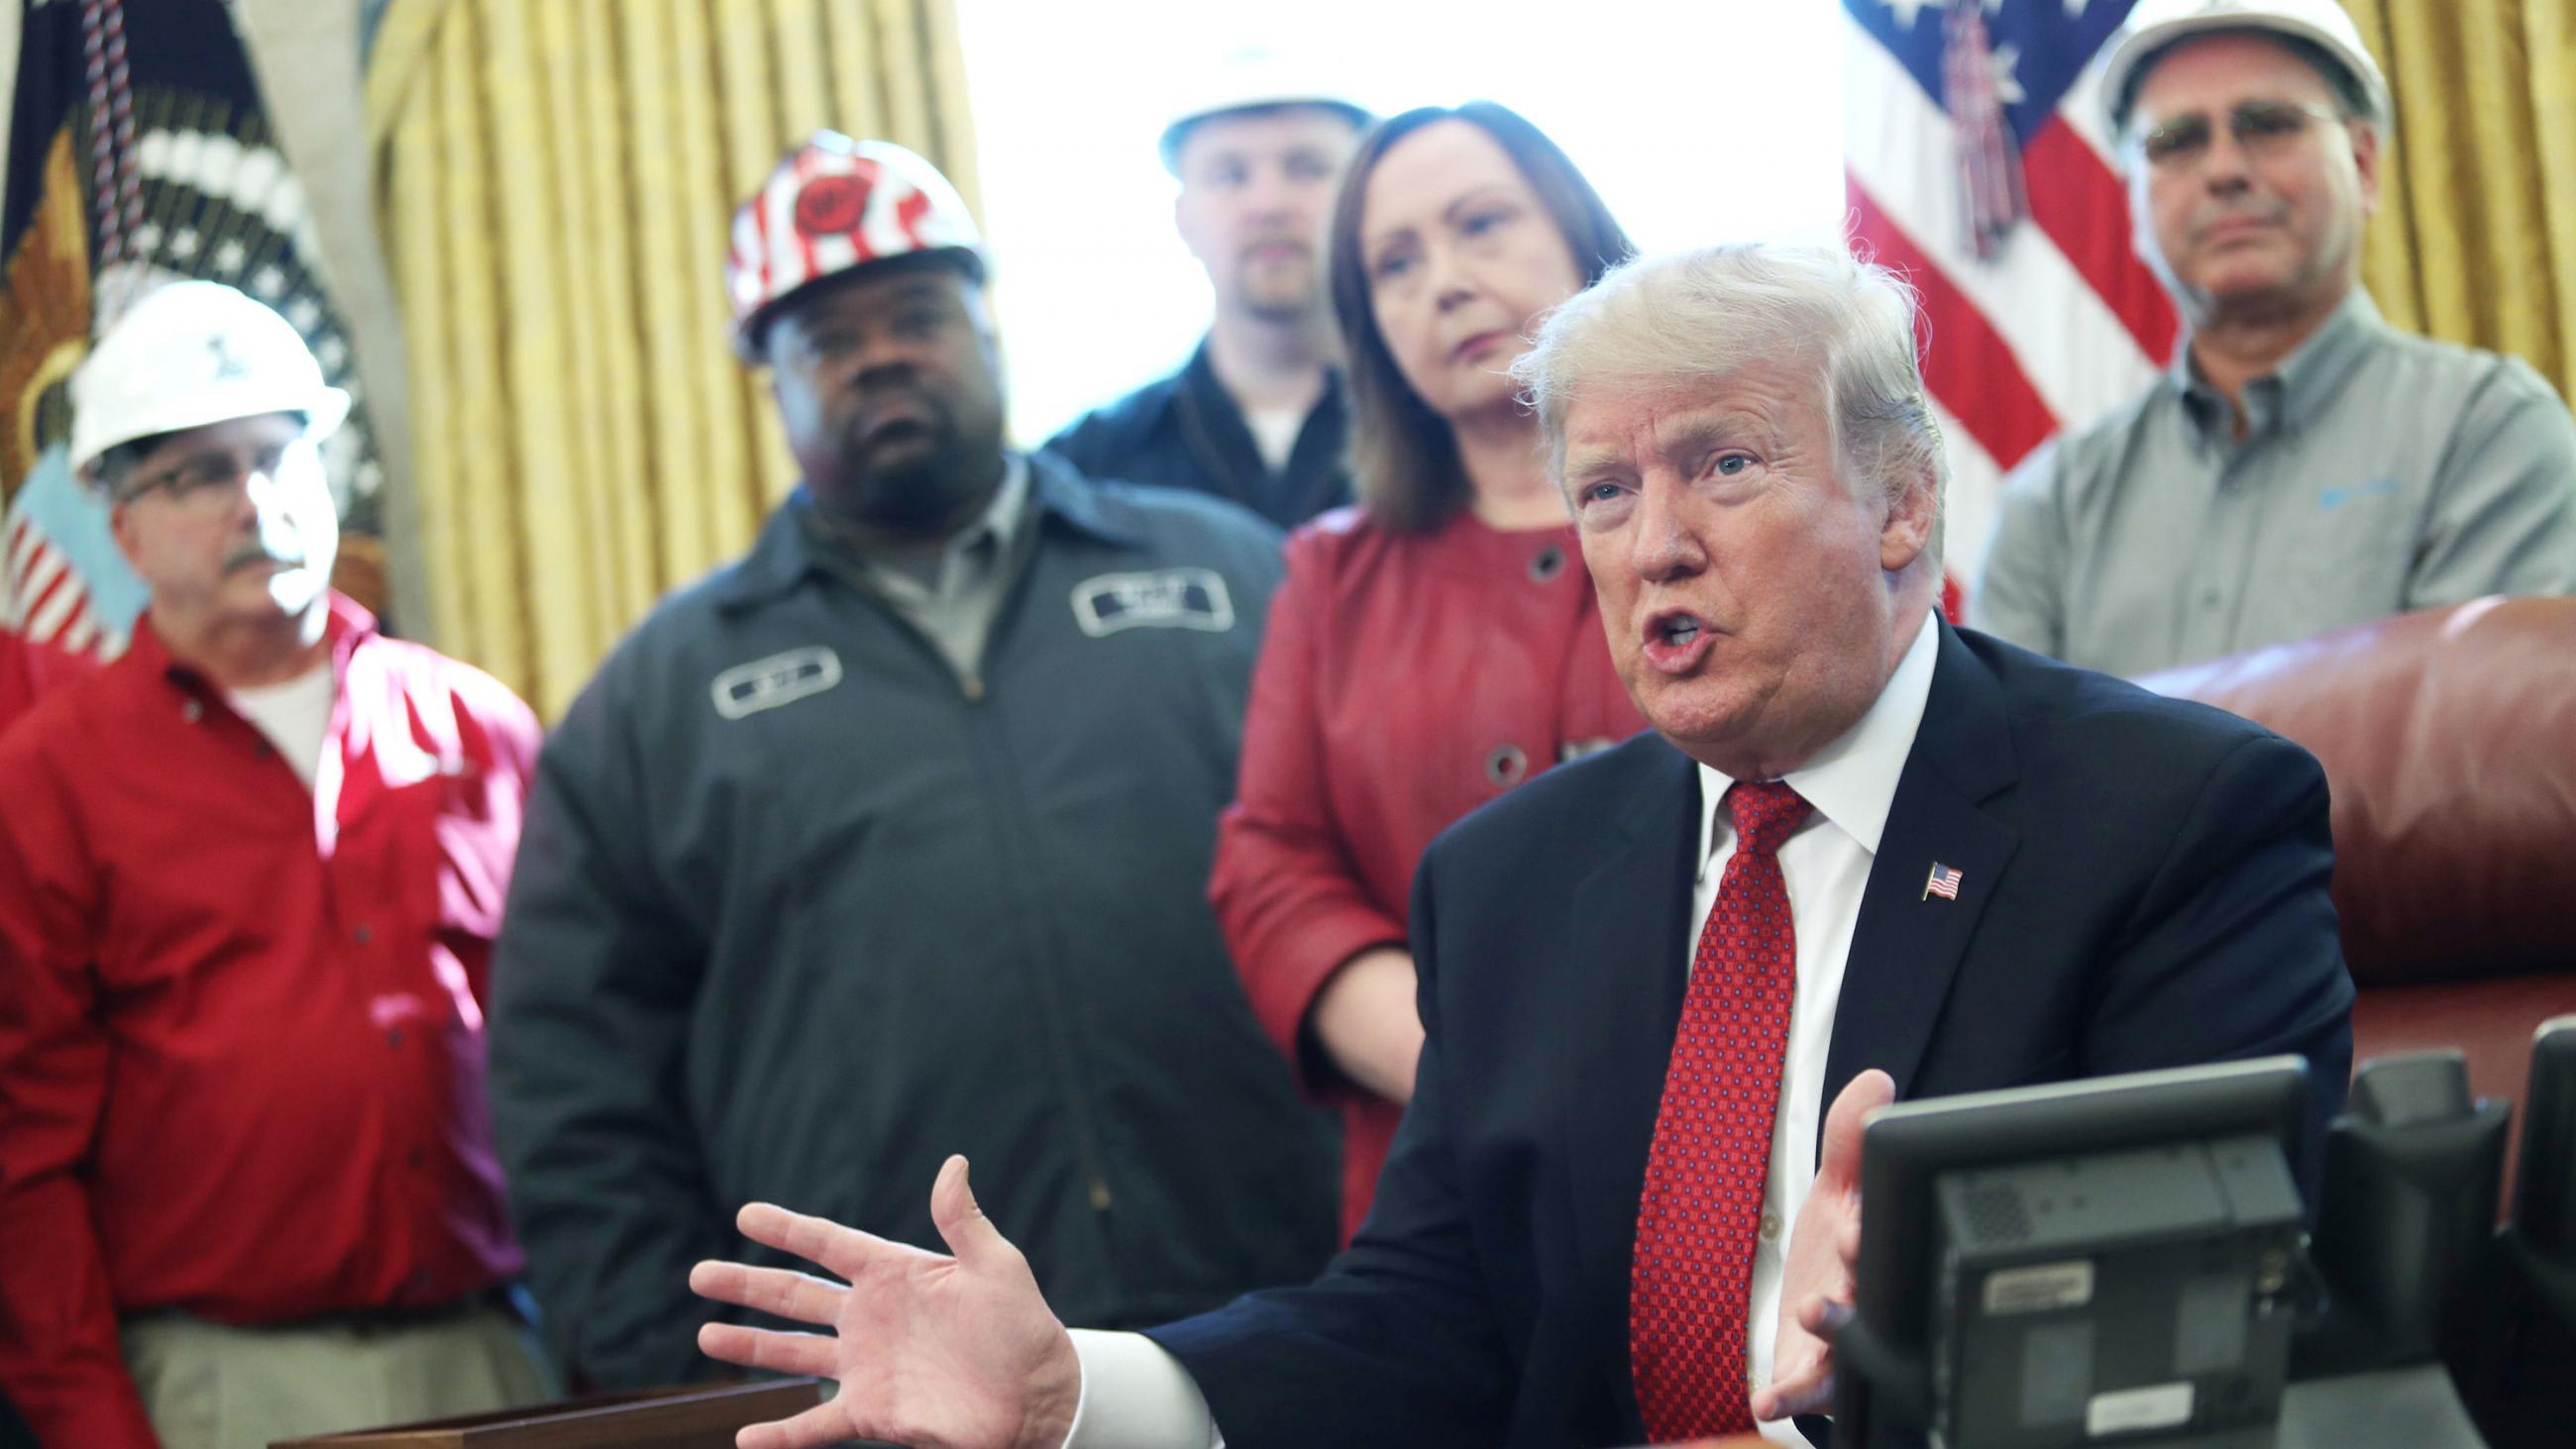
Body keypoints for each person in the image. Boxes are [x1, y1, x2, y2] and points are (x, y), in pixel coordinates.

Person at [683, 242, 2357, 1449]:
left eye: (1723, 464)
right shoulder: (1512, 881)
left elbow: (2222, 1339)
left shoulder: (2170, 820)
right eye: (1608, 492)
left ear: (1902, 500)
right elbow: (1425, 1317)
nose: (1656, 547)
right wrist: (1080, 1390)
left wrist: (1899, 1347)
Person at [486, 134, 1338, 1393]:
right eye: (826, 338)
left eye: (917, 313)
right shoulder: (658, 699)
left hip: (1280, 1324)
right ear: (766, 383)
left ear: (991, 328)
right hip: (895, 1388)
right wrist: (668, 1382)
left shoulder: (1231, 578)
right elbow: (574, 1092)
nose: (880, 352)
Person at [0, 282, 550, 1448]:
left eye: (276, 451)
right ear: (120, 524)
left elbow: (577, 1067)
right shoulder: (45, 780)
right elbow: (21, 1157)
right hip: (216, 1383)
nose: (253, 497)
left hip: (508, 1351)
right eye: (197, 474)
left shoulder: (479, 729)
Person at [1208, 101, 1643, 1242]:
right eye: (1392, 264)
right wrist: (1469, 1070)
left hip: (1746, 1157)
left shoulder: (1737, 511)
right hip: (1442, 1193)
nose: (1442, 281)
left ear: (1579, 237)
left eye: (1482, 224)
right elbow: (1273, 870)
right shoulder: (1329, 572)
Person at [1972, 0, 2576, 677]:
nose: (2224, 168)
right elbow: (2005, 774)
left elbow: (2474, 749)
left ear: (2366, 166)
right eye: (2176, 139)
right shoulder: (2049, 509)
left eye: (2268, 124)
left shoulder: (2488, 435)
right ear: (2132, 205)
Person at [1045, 55, 1367, 528]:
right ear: (1184, 219)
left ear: (1366, 200)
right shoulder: (1084, 469)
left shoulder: (1449, 432)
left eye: (1308, 168)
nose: (1269, 205)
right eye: (1228, 175)